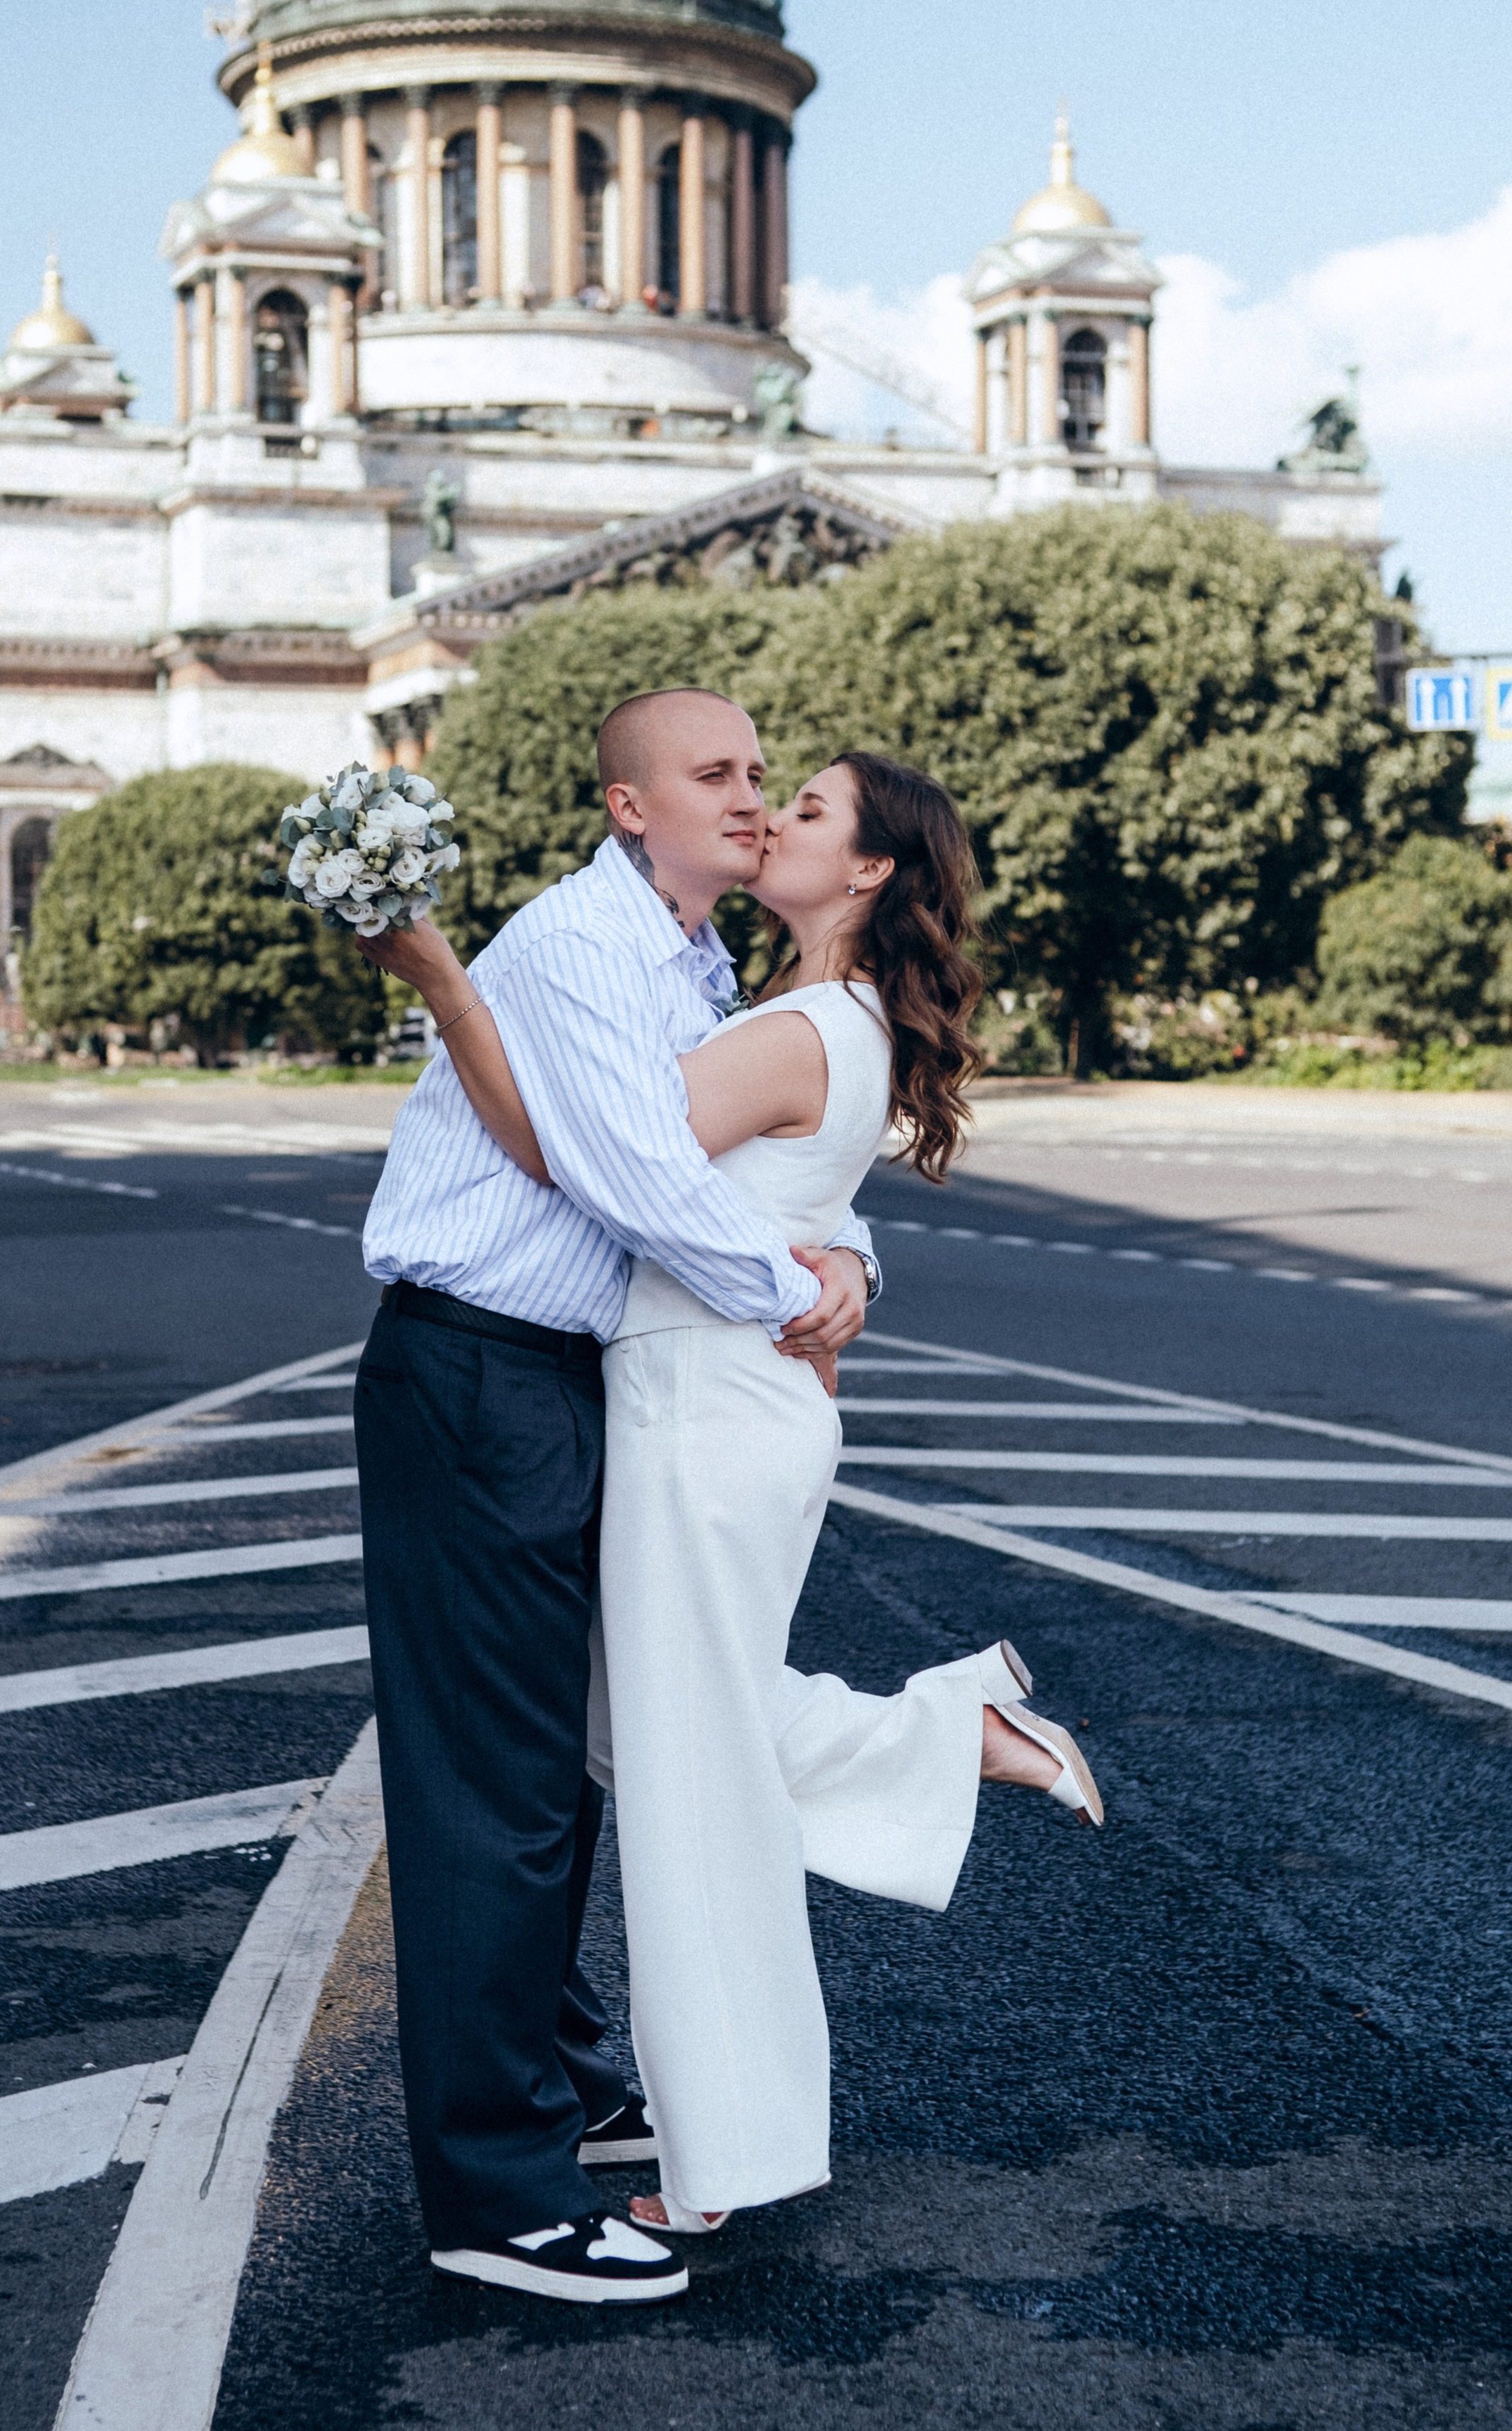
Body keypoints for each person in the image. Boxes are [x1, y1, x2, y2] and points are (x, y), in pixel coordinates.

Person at [392, 740, 1104, 2241]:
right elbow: (796, 1194)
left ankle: (723, 2160)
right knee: (626, 1728)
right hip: (705, 1396)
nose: (772, 815)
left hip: (704, 1407)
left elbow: (590, 1157)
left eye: (807, 807)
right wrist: (839, 1258)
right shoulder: (783, 1006)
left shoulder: (791, 1025)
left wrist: (445, 987)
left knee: (683, 1779)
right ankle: (947, 1732)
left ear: (864, 872)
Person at [352, 688, 879, 2307]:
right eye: (712, 776)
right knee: (493, 1792)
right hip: (478, 1369)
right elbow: (627, 1172)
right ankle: (495, 2194)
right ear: (626, 806)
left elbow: (740, 1153)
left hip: (556, 1378)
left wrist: (839, 1249)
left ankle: (564, 2085)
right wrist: (783, 1292)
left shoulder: (690, 962)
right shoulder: (586, 943)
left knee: (554, 1772)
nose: (746, 796)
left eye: (758, 775)